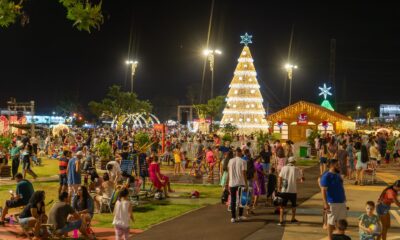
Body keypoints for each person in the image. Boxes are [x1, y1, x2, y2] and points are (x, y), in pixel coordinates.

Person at [320, 159, 347, 240]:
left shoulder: (338, 175)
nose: (339, 166)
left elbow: (341, 187)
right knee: (331, 222)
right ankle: (330, 238)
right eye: (337, 164)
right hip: (332, 202)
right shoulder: (326, 176)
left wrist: (344, 198)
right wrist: (325, 203)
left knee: (341, 221)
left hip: (341, 202)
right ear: (332, 165)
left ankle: (341, 236)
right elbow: (323, 190)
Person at [277, 157, 304, 226]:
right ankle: (292, 218)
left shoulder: (283, 168)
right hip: (293, 190)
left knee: (282, 206)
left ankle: (281, 221)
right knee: (293, 206)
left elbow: (280, 177)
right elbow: (301, 178)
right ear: (294, 162)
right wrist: (302, 173)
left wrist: (279, 187)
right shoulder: (296, 169)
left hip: (284, 190)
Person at [225, 148, 248, 223]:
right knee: (241, 200)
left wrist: (226, 183)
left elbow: (228, 173)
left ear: (235, 153)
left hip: (232, 183)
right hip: (241, 182)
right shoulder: (243, 161)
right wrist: (246, 184)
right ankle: (240, 215)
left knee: (233, 200)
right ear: (240, 153)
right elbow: (244, 173)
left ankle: (233, 217)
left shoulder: (230, 161)